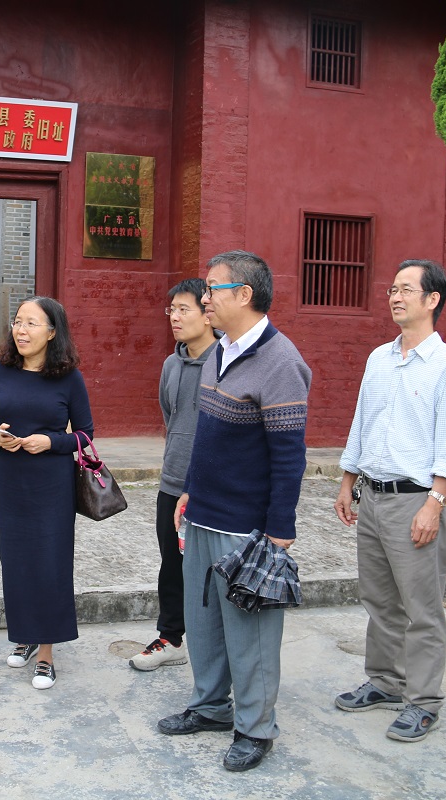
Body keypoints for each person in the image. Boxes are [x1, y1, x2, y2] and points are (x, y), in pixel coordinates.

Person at [156, 251, 311, 773]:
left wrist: (280, 530)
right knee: (203, 622)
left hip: (246, 526)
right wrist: (190, 491)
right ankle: (209, 706)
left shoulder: (281, 361)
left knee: (251, 634)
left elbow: (289, 455)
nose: (205, 299)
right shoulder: (219, 351)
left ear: (244, 295)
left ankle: (255, 728)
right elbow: (207, 436)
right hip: (203, 512)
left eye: (213, 289)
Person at [333, 259, 446, 743]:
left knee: (421, 607)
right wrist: (348, 480)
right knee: (378, 599)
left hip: (415, 501)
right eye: (392, 289)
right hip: (373, 496)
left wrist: (435, 504)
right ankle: (385, 682)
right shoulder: (379, 358)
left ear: (432, 299)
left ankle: (424, 701)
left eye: (406, 290)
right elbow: (362, 421)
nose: (395, 297)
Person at [0, 296, 94, 690]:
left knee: (49, 565)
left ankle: (46, 654)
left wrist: (52, 441)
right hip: (8, 480)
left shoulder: (69, 378)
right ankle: (24, 636)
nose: (21, 330)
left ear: (52, 332)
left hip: (51, 485)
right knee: (16, 563)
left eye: (31, 323)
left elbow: (86, 434)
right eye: (18, 322)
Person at [130, 277, 219, 672]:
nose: (175, 317)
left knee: (212, 568)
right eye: (172, 310)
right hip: (173, 482)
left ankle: (214, 644)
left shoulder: (226, 362)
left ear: (207, 313)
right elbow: (172, 417)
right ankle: (171, 639)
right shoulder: (171, 364)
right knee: (172, 564)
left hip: (212, 487)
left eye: (184, 309)